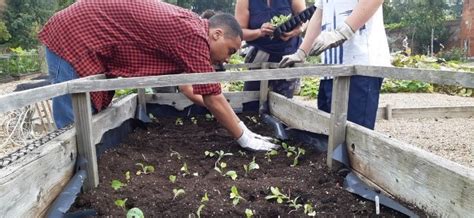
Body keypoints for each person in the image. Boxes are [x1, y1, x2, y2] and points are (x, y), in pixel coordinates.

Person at [39, 0, 278, 151]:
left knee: (87, 118)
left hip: (91, 36)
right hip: (73, 36)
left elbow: (190, 90)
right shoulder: (194, 35)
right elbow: (212, 97)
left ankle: (84, 163)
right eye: (230, 50)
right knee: (74, 127)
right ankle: (73, 179)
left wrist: (235, 122)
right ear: (216, 34)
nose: (227, 59)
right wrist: (243, 137)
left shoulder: (192, 32)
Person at [279, 0, 391, 130]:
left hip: (360, 65)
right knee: (329, 132)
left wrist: (343, 32)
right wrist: (302, 51)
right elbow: (319, 13)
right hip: (330, 66)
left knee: (354, 135)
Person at [235, 0, 306, 111]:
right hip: (260, 55)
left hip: (287, 56)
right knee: (251, 103)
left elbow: (306, 20)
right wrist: (259, 32)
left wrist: (294, 32)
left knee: (283, 106)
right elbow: (239, 32)